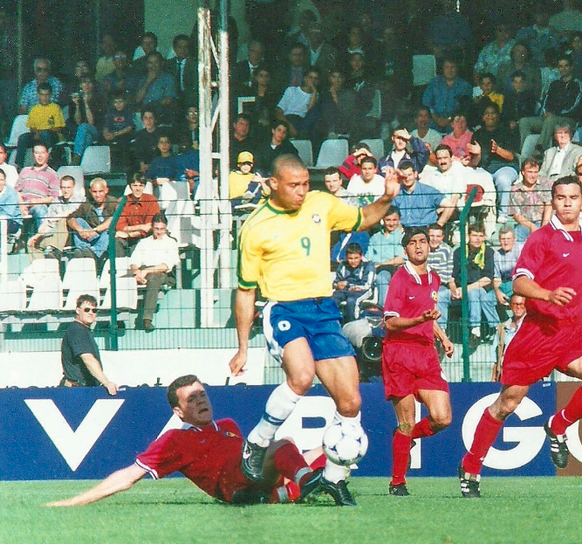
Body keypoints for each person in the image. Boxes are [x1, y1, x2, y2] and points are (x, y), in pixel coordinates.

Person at [229, 153, 400, 506]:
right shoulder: (256, 227)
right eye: (294, 185)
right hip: (284, 309)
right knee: (303, 376)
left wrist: (385, 198)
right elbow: (245, 290)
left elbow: (363, 218)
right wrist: (243, 347)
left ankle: (335, 479)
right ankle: (258, 441)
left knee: (351, 400)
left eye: (306, 183)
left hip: (323, 310)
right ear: (273, 184)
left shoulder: (322, 203)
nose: (302, 192)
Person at [459, 176, 582, 498]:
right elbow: (519, 283)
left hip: (572, 333)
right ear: (552, 201)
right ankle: (470, 466)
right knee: (507, 403)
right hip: (539, 334)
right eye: (561, 197)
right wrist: (547, 294)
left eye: (573, 197)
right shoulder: (541, 238)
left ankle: (558, 426)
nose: (567, 203)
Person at [46, 374, 323, 507]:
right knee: (283, 444)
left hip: (255, 479)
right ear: (179, 412)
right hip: (232, 485)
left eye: (202, 394)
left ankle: (283, 493)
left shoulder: (228, 425)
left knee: (326, 450)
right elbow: (130, 475)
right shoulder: (175, 440)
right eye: (191, 399)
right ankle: (301, 485)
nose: (200, 400)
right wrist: (76, 501)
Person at [382, 227, 453, 496]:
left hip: (426, 354)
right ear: (406, 249)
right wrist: (419, 321)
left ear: (430, 246)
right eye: (413, 243)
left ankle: (405, 440)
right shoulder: (399, 279)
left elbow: (429, 316)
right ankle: (397, 482)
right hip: (399, 353)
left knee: (442, 417)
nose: (419, 246)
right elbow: (390, 321)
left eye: (423, 241)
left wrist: (442, 337)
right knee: (406, 421)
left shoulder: (434, 278)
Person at [450, 223, 500, 345]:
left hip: (482, 288)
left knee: (474, 293)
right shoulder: (459, 252)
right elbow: (452, 276)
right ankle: (497, 328)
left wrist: (465, 289)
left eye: (480, 236)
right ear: (468, 236)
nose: (477, 239)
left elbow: (488, 278)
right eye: (474, 235)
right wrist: (454, 290)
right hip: (460, 289)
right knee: (443, 297)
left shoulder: (488, 252)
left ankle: (475, 330)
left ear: (484, 237)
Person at [58, 294, 118, 394]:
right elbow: (88, 359)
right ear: (78, 310)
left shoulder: (83, 330)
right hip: (76, 391)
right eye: (87, 310)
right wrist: (106, 382)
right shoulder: (77, 331)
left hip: (81, 389)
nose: (91, 313)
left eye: (94, 310)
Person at [129, 214, 179, 331]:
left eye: (162, 229)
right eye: (157, 229)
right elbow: (134, 262)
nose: (159, 232)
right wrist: (137, 273)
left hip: (162, 273)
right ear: (152, 227)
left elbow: (166, 265)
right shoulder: (144, 242)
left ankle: (147, 318)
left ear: (166, 228)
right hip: (144, 271)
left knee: (154, 278)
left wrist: (145, 271)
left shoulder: (170, 242)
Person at [27, 175, 83, 260]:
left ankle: (54, 251)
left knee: (63, 220)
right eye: (63, 188)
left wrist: (48, 221)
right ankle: (40, 269)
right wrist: (37, 236)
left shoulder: (79, 199)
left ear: (73, 188)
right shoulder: (57, 201)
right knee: (32, 244)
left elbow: (66, 214)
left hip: (71, 235)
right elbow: (48, 222)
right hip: (53, 233)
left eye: (68, 187)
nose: (66, 191)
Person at [391, 160, 454, 229]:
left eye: (409, 175)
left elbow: (450, 205)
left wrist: (438, 225)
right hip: (405, 231)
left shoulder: (428, 191)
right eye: (404, 176)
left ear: (415, 174)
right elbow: (390, 211)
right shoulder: (397, 193)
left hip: (425, 230)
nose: (407, 178)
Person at [15, 83, 66, 169]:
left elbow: (58, 127)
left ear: (50, 95)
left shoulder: (55, 108)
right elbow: (31, 127)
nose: (44, 97)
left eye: (47, 95)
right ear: (38, 95)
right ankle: (19, 165)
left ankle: (46, 162)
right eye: (42, 95)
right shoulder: (34, 109)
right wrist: (36, 133)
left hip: (52, 135)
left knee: (45, 134)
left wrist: (41, 132)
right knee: (23, 138)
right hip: (37, 134)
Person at [68, 178, 118, 262]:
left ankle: (95, 254)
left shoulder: (113, 202)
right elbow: (70, 218)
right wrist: (80, 230)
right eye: (95, 192)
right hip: (90, 236)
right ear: (90, 191)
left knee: (109, 230)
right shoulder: (87, 203)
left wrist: (95, 230)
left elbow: (114, 219)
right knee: (79, 221)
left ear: (106, 190)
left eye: (100, 191)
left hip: (104, 238)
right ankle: (83, 249)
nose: (98, 195)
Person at [15, 142, 60, 230]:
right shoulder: (25, 170)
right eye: (36, 153)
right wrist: (21, 205)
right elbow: (16, 191)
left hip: (38, 205)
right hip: (22, 205)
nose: (40, 156)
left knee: (40, 209)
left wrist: (38, 201)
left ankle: (42, 240)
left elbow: (54, 197)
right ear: (32, 155)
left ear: (47, 154)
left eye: (42, 153)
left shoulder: (52, 174)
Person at [365, 207, 405, 306]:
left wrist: (380, 264)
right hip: (373, 270)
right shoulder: (375, 237)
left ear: (399, 220)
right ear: (383, 220)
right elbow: (368, 257)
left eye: (394, 220)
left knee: (382, 277)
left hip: (393, 270)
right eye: (388, 220)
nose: (391, 223)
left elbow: (400, 259)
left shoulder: (401, 237)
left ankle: (383, 307)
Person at [115, 174, 160, 257]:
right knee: (116, 242)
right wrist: (141, 227)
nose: (138, 189)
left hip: (146, 237)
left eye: (141, 185)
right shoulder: (123, 201)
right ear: (130, 186)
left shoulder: (151, 200)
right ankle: (118, 267)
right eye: (135, 185)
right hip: (128, 239)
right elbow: (120, 227)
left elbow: (149, 227)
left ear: (144, 187)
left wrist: (130, 234)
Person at [509, 158, 553, 242]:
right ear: (523, 172)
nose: (533, 175)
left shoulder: (544, 184)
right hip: (526, 224)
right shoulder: (515, 189)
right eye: (530, 172)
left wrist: (543, 227)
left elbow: (548, 205)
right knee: (516, 234)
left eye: (535, 172)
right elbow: (516, 215)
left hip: (544, 222)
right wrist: (532, 227)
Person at [332, 242, 376, 323]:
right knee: (332, 300)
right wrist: (337, 285)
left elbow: (368, 285)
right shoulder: (343, 265)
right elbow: (336, 283)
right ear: (346, 257)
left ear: (361, 256)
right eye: (350, 258)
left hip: (363, 290)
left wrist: (349, 285)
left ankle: (353, 324)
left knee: (352, 301)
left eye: (356, 258)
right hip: (345, 290)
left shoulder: (368, 265)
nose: (353, 261)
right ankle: (333, 323)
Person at [491, 295, 526, 382]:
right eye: (515, 304)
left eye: (521, 304)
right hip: (506, 374)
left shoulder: (531, 327)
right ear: (510, 306)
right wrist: (493, 379)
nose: (518, 307)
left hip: (526, 374)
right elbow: (496, 358)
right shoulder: (501, 328)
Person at [427, 223, 454, 326]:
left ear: (442, 237)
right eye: (432, 236)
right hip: (422, 285)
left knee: (439, 296)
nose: (434, 239)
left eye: (438, 236)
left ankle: (441, 329)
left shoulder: (446, 251)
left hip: (440, 286)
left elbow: (445, 276)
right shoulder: (422, 248)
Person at [493, 226, 523, 307]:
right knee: (486, 299)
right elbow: (497, 278)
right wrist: (497, 292)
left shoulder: (520, 249)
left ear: (514, 240)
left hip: (518, 283)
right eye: (503, 239)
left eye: (508, 239)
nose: (506, 242)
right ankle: (496, 320)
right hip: (504, 285)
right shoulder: (497, 255)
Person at [0, 167, 22, 236]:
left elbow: (8, 214)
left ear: (5, 181)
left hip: (12, 222)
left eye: (1, 180)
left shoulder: (11, 193)